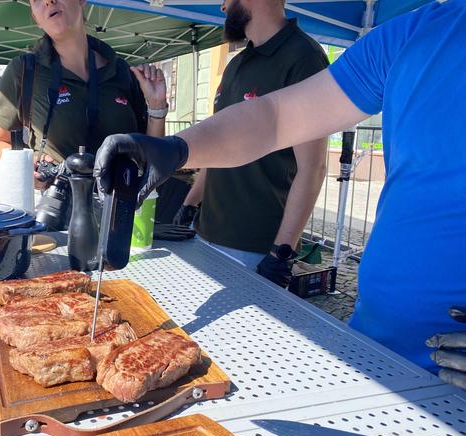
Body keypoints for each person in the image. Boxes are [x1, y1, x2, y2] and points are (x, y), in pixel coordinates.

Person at [94, 0, 466, 381]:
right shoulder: (417, 31)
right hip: (373, 344)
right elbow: (276, 118)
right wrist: (176, 149)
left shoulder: (303, 52)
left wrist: (282, 250)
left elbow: (313, 164)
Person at [174, 0, 328, 287]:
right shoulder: (236, 64)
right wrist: (191, 203)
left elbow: (314, 167)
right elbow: (218, 146)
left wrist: (282, 252)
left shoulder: (303, 58)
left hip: (252, 246)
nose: (221, 7)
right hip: (205, 230)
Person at [0, 0, 167, 173]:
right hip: (59, 201)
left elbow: (152, 154)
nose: (48, 1)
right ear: (35, 18)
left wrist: (157, 106)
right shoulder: (24, 70)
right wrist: (27, 166)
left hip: (124, 201)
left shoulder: (123, 71)